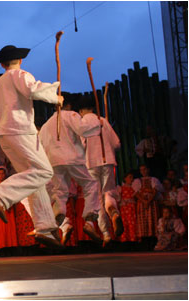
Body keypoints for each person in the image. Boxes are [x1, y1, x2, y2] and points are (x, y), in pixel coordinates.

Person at [0, 45, 64, 249]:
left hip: (5, 134)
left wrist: (5, 121)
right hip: (21, 131)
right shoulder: (20, 74)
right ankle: (3, 194)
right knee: (44, 172)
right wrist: (56, 98)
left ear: (2, 64)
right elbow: (33, 89)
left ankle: (45, 226)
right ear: (20, 60)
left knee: (33, 179)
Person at [39, 93, 101, 244]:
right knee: (90, 184)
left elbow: (40, 145)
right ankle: (89, 219)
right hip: (72, 158)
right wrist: (92, 117)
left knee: (60, 191)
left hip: (54, 161)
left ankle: (57, 215)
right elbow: (84, 129)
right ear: (68, 104)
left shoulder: (47, 124)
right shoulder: (69, 115)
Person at [79, 96, 124, 243]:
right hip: (108, 161)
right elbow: (117, 143)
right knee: (109, 193)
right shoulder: (102, 121)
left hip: (91, 164)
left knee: (96, 199)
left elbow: (81, 146)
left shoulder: (82, 123)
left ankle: (106, 234)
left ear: (81, 110)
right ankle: (114, 214)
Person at [132, 164, 163, 249]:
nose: (143, 171)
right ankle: (144, 242)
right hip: (142, 203)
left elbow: (155, 191)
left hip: (152, 203)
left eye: (144, 169)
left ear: (148, 170)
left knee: (153, 220)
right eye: (141, 170)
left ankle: (153, 241)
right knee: (143, 221)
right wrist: (144, 201)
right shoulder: (137, 181)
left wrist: (148, 201)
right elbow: (136, 193)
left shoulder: (154, 179)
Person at [117, 172, 138, 243]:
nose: (131, 179)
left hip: (132, 208)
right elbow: (118, 198)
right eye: (129, 177)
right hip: (124, 209)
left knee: (133, 223)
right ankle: (125, 240)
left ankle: (133, 240)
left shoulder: (134, 188)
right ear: (125, 179)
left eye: (132, 177)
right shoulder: (121, 188)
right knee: (125, 224)